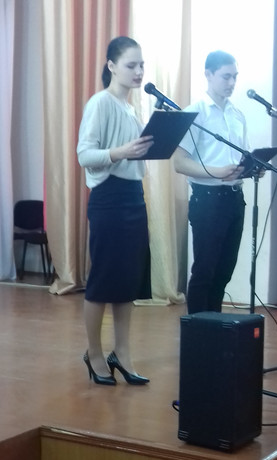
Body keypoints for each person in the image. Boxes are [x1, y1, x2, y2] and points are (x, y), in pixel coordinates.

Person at [77, 36, 154, 385]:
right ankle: (94, 353)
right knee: (103, 280)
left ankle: (122, 353)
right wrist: (121, 152)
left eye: (141, 65)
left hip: (134, 197)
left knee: (128, 281)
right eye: (131, 65)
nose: (138, 72)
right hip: (109, 199)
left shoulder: (131, 108)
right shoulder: (100, 103)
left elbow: (133, 156)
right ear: (111, 66)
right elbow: (85, 154)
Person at [173, 50, 248, 315]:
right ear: (208, 74)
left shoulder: (237, 115)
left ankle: (215, 328)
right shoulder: (194, 113)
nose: (232, 82)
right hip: (207, 200)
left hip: (235, 198)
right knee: (205, 270)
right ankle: (196, 331)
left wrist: (251, 169)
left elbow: (240, 157)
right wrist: (217, 172)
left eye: (235, 76)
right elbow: (179, 163)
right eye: (226, 76)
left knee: (224, 271)